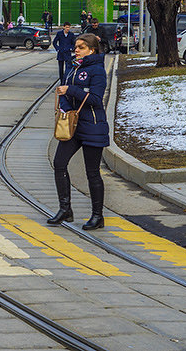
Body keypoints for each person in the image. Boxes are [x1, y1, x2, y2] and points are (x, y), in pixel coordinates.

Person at [47, 32, 109, 230]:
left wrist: (71, 91)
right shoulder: (73, 67)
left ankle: (97, 216)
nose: (76, 50)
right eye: (76, 47)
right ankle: (65, 209)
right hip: (72, 125)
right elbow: (64, 88)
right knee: (59, 163)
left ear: (91, 50)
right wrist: (64, 104)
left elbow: (95, 99)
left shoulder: (98, 70)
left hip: (92, 125)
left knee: (92, 172)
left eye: (81, 47)